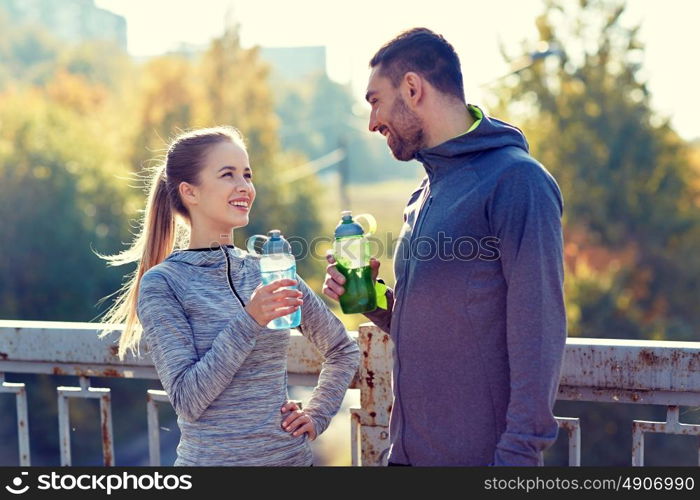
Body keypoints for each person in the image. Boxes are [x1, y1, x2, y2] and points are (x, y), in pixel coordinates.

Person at [323, 28, 566, 466]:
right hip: (406, 456)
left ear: (412, 88)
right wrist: (370, 296)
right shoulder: (424, 194)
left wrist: (517, 458)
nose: (372, 122)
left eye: (375, 100)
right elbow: (436, 327)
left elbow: (540, 331)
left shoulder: (517, 182)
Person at [100, 126, 359, 466]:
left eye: (247, 175)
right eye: (228, 175)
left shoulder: (270, 270)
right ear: (189, 192)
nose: (245, 187)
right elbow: (188, 399)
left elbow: (342, 349)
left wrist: (317, 413)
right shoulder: (163, 284)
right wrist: (250, 320)